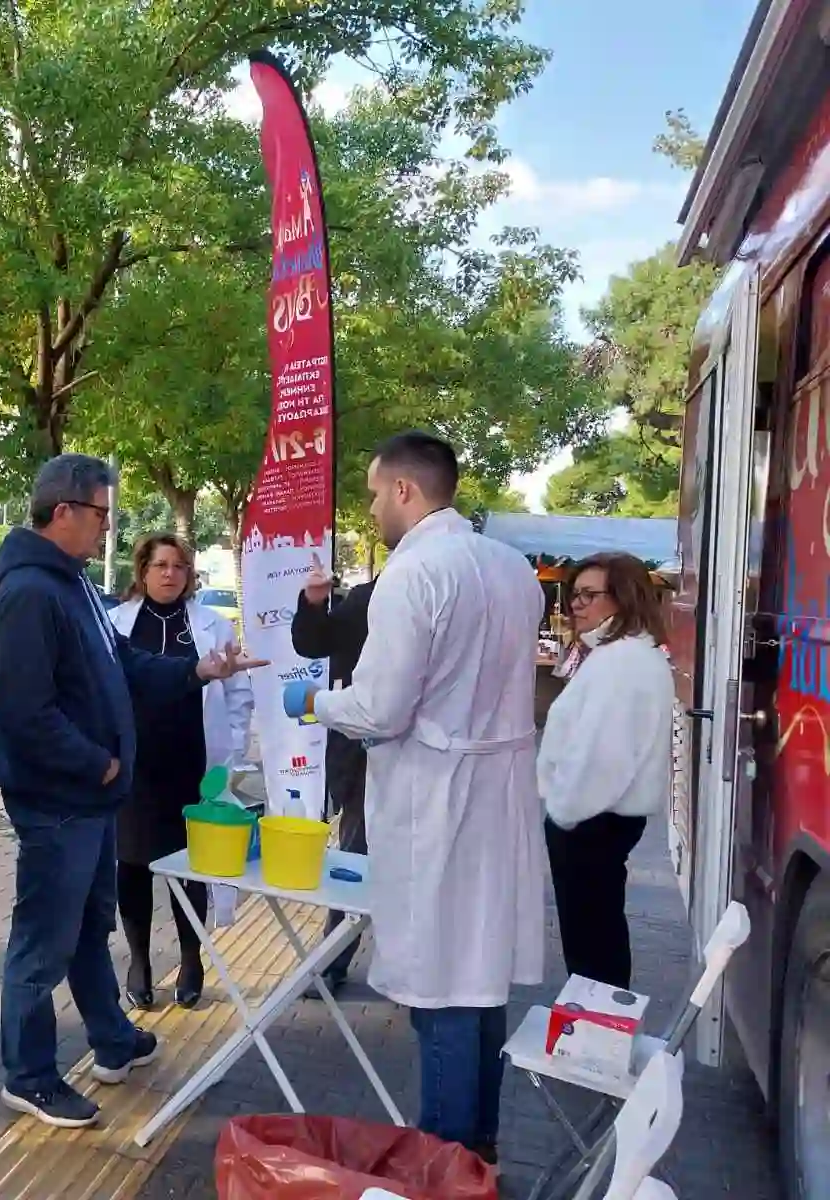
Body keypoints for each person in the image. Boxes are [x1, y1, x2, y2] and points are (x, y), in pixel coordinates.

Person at [284, 432, 544, 1163]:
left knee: (441, 988)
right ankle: (482, 1151)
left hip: (438, 800)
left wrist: (314, 702)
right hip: (497, 794)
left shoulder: (414, 572)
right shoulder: (511, 568)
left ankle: (445, 1161)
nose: (370, 509)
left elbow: (381, 707)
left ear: (405, 490)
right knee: (481, 975)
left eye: (373, 492)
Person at [0, 455, 265, 1129]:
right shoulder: (32, 592)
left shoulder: (73, 584)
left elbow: (124, 663)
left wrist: (198, 671)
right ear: (63, 513)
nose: (107, 529)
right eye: (101, 515)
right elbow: (26, 712)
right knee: (42, 942)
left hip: (87, 799)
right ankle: (28, 1074)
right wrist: (99, 764)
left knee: (88, 928)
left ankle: (113, 1037)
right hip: (62, 799)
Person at [108, 533, 252, 1011]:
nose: (170, 574)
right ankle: (140, 960)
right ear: (143, 571)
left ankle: (191, 958)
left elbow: (238, 697)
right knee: (132, 864)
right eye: (161, 565)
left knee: (192, 865)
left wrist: (229, 751)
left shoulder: (212, 626)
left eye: (179, 567)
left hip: (194, 764)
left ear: (190, 576)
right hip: (137, 768)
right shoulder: (117, 625)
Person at [537, 553, 673, 989]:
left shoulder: (621, 662)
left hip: (593, 820)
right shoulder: (619, 654)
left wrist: (563, 811)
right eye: (575, 594)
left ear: (624, 598)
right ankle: (597, 1033)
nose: (577, 604)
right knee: (598, 937)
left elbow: (601, 757)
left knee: (592, 946)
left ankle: (595, 1038)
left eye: (589, 595)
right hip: (600, 819)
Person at [290, 560, 375, 992]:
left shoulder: (449, 599)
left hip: (433, 758)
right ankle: (332, 961)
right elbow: (312, 642)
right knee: (353, 852)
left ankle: (421, 964)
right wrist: (314, 601)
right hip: (362, 753)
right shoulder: (365, 598)